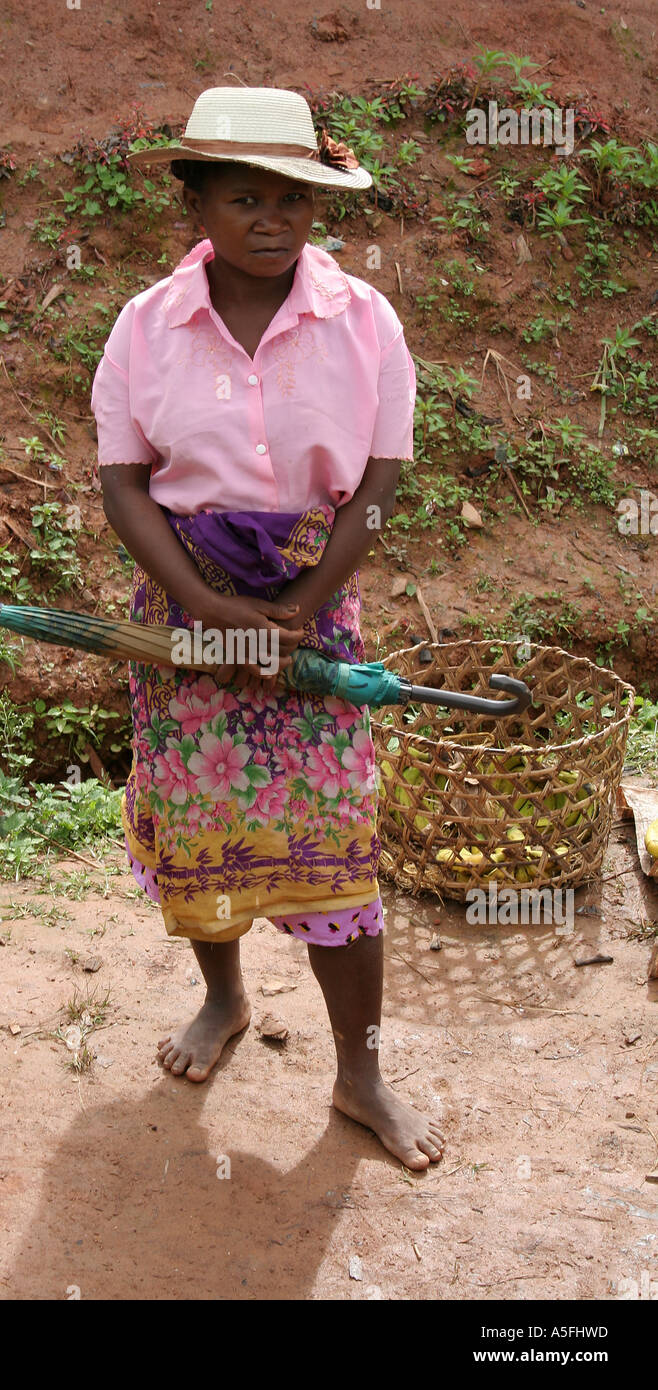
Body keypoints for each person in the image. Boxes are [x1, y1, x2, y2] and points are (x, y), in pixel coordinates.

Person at [90, 87, 445, 1170]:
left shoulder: (363, 320)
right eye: (242, 196)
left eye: (291, 199)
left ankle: (360, 1072)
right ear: (193, 201)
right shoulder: (146, 327)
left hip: (314, 604)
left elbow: (380, 474)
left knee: (337, 844)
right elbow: (122, 481)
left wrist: (304, 603)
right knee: (201, 828)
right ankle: (224, 1000)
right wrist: (201, 603)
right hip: (184, 613)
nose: (270, 219)